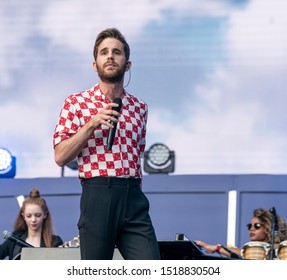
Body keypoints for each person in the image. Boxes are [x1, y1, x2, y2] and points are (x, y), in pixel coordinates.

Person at [53, 27, 160, 260]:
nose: (110, 56)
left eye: (116, 52)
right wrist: (91, 124)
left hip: (133, 197)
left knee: (152, 267)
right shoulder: (76, 103)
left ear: (127, 64)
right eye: (103, 52)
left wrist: (136, 195)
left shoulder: (140, 107)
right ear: (95, 64)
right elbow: (60, 155)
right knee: (96, 271)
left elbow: (137, 158)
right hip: (98, 193)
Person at [196, 208, 287, 259]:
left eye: (257, 226)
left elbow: (241, 252)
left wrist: (218, 248)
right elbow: (243, 252)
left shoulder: (280, 248)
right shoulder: (249, 250)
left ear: (268, 227)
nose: (251, 229)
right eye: (249, 226)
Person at [0, 188, 63, 260]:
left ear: (45, 215)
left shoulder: (55, 242)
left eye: (38, 215)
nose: (33, 220)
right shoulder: (15, 238)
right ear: (23, 216)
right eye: (29, 216)